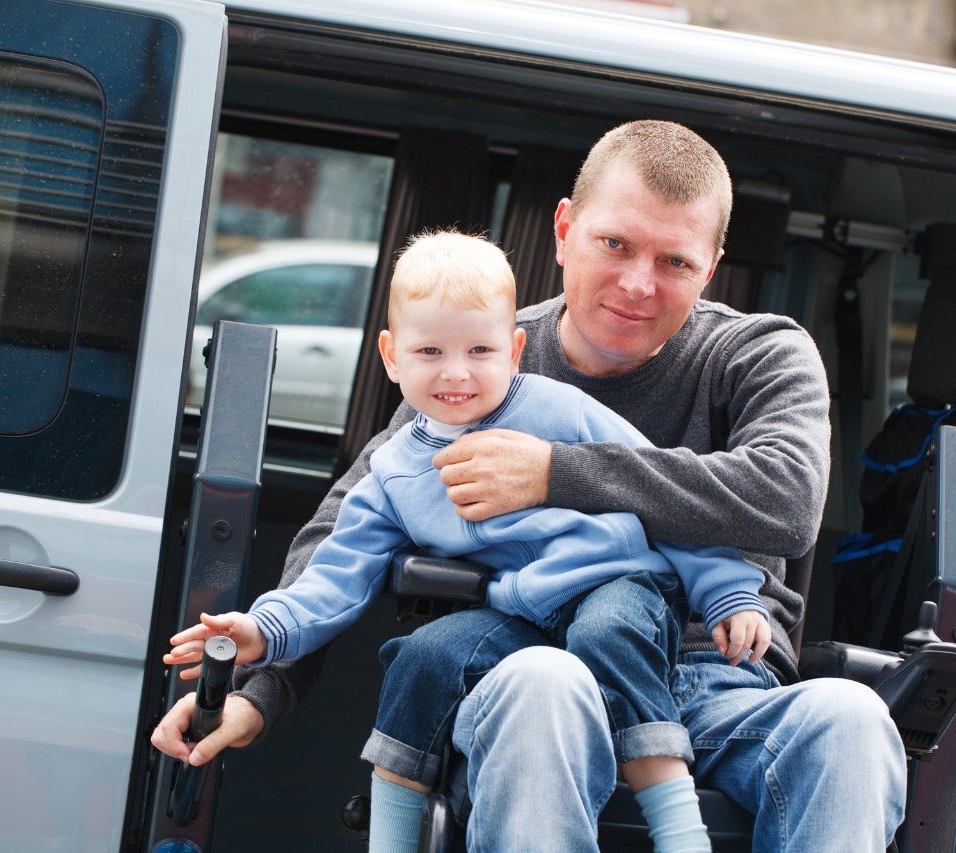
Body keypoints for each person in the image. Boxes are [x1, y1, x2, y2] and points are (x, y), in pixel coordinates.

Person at [152, 120, 907, 851]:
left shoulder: (758, 353)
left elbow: (786, 498)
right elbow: (347, 528)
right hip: (534, 664)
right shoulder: (476, 356)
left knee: (852, 717)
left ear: (711, 265)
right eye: (614, 243)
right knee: (544, 680)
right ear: (564, 228)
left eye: (674, 261)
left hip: (715, 679)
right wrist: (257, 689)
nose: (637, 283)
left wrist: (556, 472)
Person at [165, 230, 771, 852]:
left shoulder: (560, 410)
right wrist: (264, 630)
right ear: (391, 356)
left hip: (622, 587)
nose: (456, 373)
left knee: (605, 632)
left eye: (479, 350)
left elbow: (667, 502)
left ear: (514, 350)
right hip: (521, 611)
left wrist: (730, 595)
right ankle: (393, 839)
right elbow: (333, 576)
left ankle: (678, 831)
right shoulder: (394, 473)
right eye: (430, 350)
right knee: (422, 657)